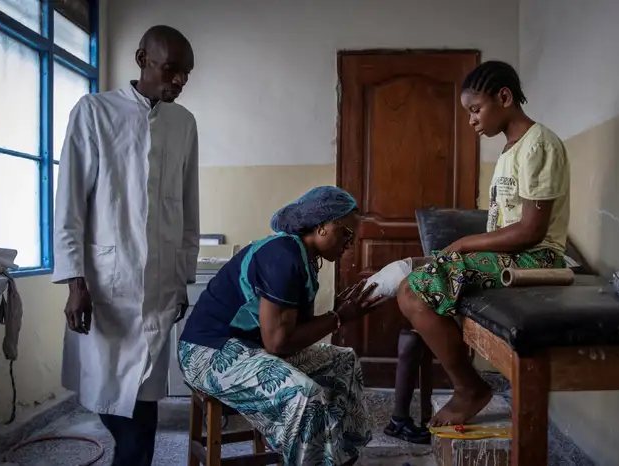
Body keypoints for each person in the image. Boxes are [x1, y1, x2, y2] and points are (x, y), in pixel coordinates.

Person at [391, 61, 570, 427]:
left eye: (476, 110)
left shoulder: (540, 145)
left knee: (413, 291)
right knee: (413, 286)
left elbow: (531, 232)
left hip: (537, 258)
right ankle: (467, 383)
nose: (471, 121)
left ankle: (468, 388)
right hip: (510, 255)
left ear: (504, 97)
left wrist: (463, 244)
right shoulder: (509, 151)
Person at [52, 25, 199, 466]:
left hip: (160, 290)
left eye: (186, 75)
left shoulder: (184, 123)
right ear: (142, 59)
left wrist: (183, 279)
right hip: (107, 289)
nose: (178, 81)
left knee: (144, 409)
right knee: (124, 411)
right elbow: (69, 204)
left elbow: (188, 207)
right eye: (171, 69)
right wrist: (75, 282)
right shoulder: (94, 112)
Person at [178, 186, 380, 466]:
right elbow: (278, 343)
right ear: (322, 226)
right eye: (347, 233)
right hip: (209, 352)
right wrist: (339, 317)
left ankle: (340, 456)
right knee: (304, 395)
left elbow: (296, 334)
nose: (351, 243)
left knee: (343, 361)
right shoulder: (282, 256)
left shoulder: (306, 261)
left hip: (252, 346)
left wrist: (337, 314)